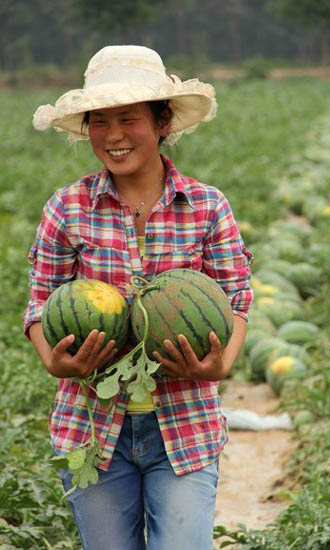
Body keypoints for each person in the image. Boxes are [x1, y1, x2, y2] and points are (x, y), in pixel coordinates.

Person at [24, 45, 253, 550]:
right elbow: (41, 304)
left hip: (185, 428)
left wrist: (220, 365)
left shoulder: (207, 207)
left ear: (162, 121)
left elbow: (236, 300)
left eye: (128, 119)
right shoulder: (68, 207)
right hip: (91, 430)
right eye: (99, 122)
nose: (113, 136)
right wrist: (54, 362)